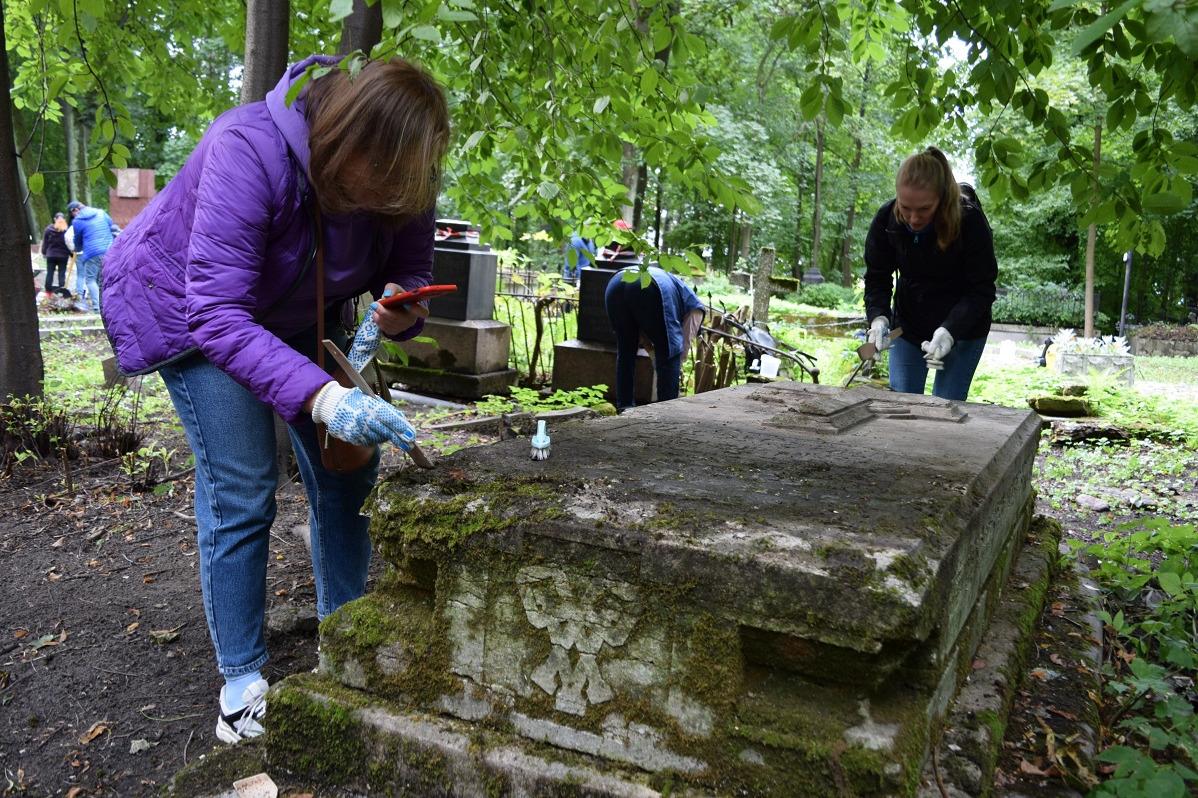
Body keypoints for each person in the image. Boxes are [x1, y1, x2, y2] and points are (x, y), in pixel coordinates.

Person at [100, 55, 449, 744]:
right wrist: (321, 397)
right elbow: (218, 313)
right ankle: (241, 685)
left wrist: (399, 311)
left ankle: (347, 635)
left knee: (350, 464)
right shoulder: (248, 148)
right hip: (194, 315)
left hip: (299, 313)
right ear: (347, 145)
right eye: (372, 191)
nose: (385, 205)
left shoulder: (405, 171)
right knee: (243, 483)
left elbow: (413, 268)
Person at [863, 146, 996, 401]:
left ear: (942, 199)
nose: (913, 218)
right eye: (905, 207)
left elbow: (982, 288)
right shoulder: (886, 220)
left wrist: (949, 330)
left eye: (924, 209)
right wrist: (879, 318)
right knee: (902, 405)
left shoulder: (969, 221)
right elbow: (877, 277)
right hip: (909, 325)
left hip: (963, 329)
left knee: (944, 407)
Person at [604, 265, 705, 411]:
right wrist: (677, 364)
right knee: (670, 355)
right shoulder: (696, 308)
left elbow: (643, 333)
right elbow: (682, 342)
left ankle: (625, 407)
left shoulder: (677, 290)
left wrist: (653, 354)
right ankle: (666, 413)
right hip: (649, 285)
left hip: (616, 283)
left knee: (626, 351)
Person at [67, 199, 119, 313]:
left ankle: (98, 307)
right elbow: (112, 226)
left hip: (92, 253)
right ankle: (111, 307)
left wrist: (77, 248)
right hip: (109, 251)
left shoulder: (77, 221)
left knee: (90, 280)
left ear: (75, 210)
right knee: (105, 279)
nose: (73, 216)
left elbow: (78, 240)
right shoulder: (101, 212)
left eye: (72, 213)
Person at [40, 213, 71, 295]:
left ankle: (48, 292)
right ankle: (62, 291)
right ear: (64, 219)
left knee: (50, 273)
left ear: (54, 219)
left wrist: (44, 252)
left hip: (51, 255)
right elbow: (69, 243)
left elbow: (45, 243)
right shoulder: (66, 230)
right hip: (63, 256)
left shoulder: (48, 229)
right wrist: (71, 253)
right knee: (62, 273)